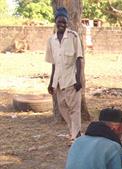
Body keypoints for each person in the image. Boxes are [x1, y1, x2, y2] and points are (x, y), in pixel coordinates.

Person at [46, 7, 83, 145]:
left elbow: (79, 59)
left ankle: (76, 136)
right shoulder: (51, 40)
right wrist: (51, 83)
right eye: (59, 21)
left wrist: (78, 79)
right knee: (62, 108)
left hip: (72, 80)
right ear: (55, 22)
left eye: (64, 21)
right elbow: (54, 64)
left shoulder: (73, 36)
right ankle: (74, 132)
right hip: (59, 81)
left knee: (74, 109)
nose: (61, 24)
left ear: (67, 22)